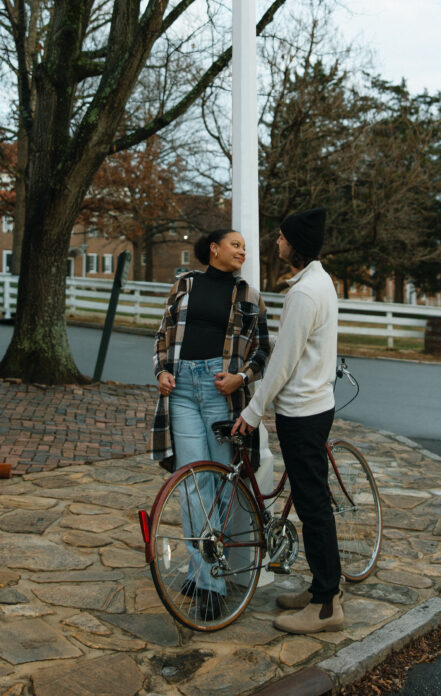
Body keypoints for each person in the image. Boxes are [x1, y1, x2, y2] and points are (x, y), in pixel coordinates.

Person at [148, 228, 270, 620]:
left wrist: (242, 378)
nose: (242, 250)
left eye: (244, 247)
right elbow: (163, 335)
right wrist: (162, 372)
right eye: (235, 244)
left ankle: (205, 577)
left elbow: (264, 350)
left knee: (218, 483)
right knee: (190, 484)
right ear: (213, 249)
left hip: (221, 391)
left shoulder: (250, 296)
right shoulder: (183, 285)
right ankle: (207, 576)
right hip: (182, 388)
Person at [232, 207, 343, 635]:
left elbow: (284, 361)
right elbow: (297, 344)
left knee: (313, 507)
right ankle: (322, 589)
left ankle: (326, 606)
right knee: (314, 501)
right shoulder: (319, 281)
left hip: (303, 411)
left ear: (294, 245)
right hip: (317, 404)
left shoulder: (304, 293)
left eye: (280, 237)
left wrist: (253, 408)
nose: (275, 242)